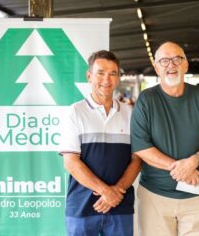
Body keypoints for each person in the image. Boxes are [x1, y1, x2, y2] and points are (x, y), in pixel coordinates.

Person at [131, 41, 199, 236]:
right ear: (156, 67)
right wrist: (183, 169)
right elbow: (141, 146)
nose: (171, 65)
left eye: (176, 59)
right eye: (164, 61)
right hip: (155, 196)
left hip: (196, 196)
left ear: (186, 64)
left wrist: (193, 162)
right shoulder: (147, 100)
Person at [59, 50, 141, 236]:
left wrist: (116, 192)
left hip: (120, 207)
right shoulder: (75, 112)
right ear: (89, 76)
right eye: (101, 73)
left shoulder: (131, 113)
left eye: (113, 73)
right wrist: (106, 192)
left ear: (118, 77)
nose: (107, 79)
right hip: (81, 208)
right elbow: (71, 162)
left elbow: (137, 159)